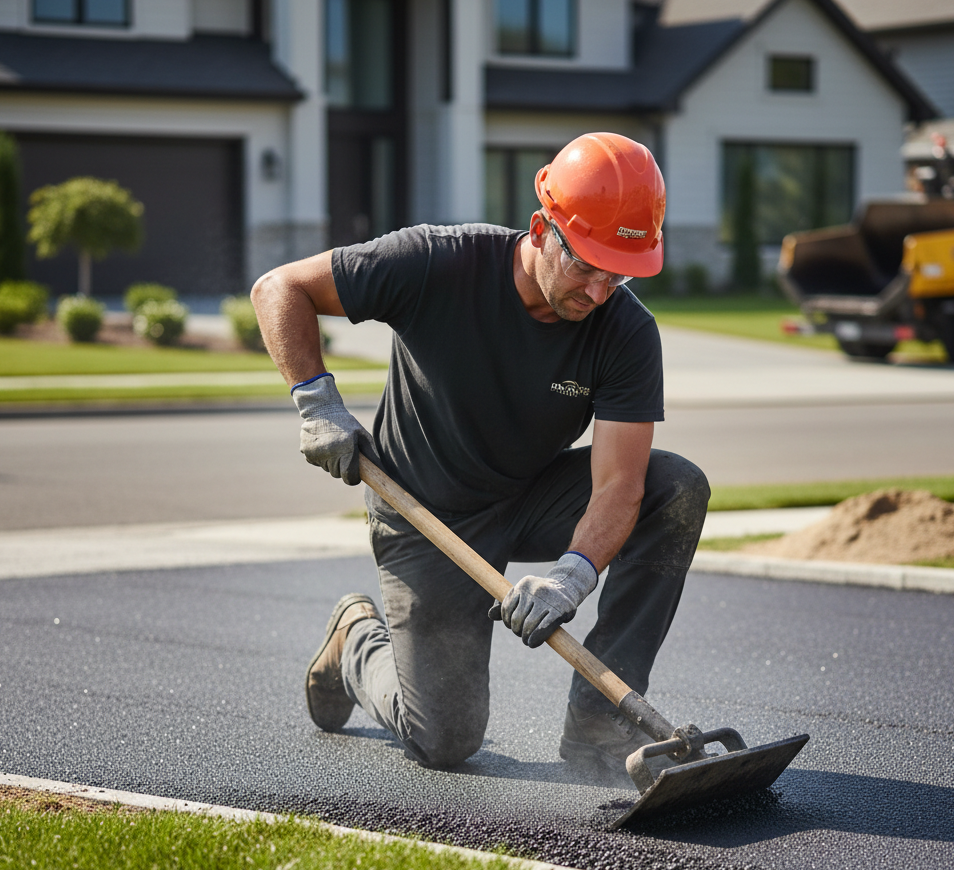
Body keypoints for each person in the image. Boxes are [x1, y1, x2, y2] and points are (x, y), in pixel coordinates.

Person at [251, 132, 710, 780]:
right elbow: (280, 288)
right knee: (445, 739)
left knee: (678, 489)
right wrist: (316, 402)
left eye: (620, 273)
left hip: (528, 496)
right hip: (422, 512)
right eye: (586, 265)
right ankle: (356, 640)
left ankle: (600, 733)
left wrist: (570, 576)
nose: (601, 291)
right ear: (540, 228)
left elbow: (619, 488)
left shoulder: (626, 331)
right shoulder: (439, 265)